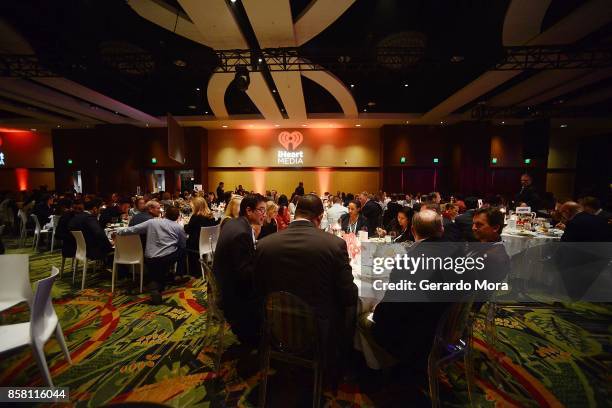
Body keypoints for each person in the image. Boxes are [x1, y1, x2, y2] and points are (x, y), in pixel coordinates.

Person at [253, 194, 357, 384]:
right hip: (318, 330)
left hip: (277, 326)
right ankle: (340, 364)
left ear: (296, 213)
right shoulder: (334, 245)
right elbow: (349, 295)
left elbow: (257, 289)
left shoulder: (264, 245)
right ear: (319, 218)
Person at [370, 210, 452, 368]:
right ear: (441, 229)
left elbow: (389, 311)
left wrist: (376, 309)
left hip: (417, 335)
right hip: (445, 326)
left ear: (413, 230)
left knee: (364, 319)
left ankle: (377, 369)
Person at [212, 194, 266, 345]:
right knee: (270, 294)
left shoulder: (233, 223)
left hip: (224, 281)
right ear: (249, 211)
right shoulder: (242, 232)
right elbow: (245, 275)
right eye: (261, 210)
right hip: (232, 295)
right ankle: (253, 341)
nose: (264, 214)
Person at [116, 206, 187, 304]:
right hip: (167, 257)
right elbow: (182, 244)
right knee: (182, 250)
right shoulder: (178, 227)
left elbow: (133, 229)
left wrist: (118, 231)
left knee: (157, 270)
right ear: (177, 217)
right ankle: (177, 276)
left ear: (165, 214)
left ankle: (156, 284)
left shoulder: (152, 222)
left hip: (150, 257)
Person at [184, 197, 220, 275]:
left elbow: (188, 230)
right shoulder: (211, 216)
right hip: (209, 244)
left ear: (196, 206)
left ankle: (191, 271)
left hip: (196, 245)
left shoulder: (195, 217)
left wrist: (185, 226)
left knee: (182, 244)